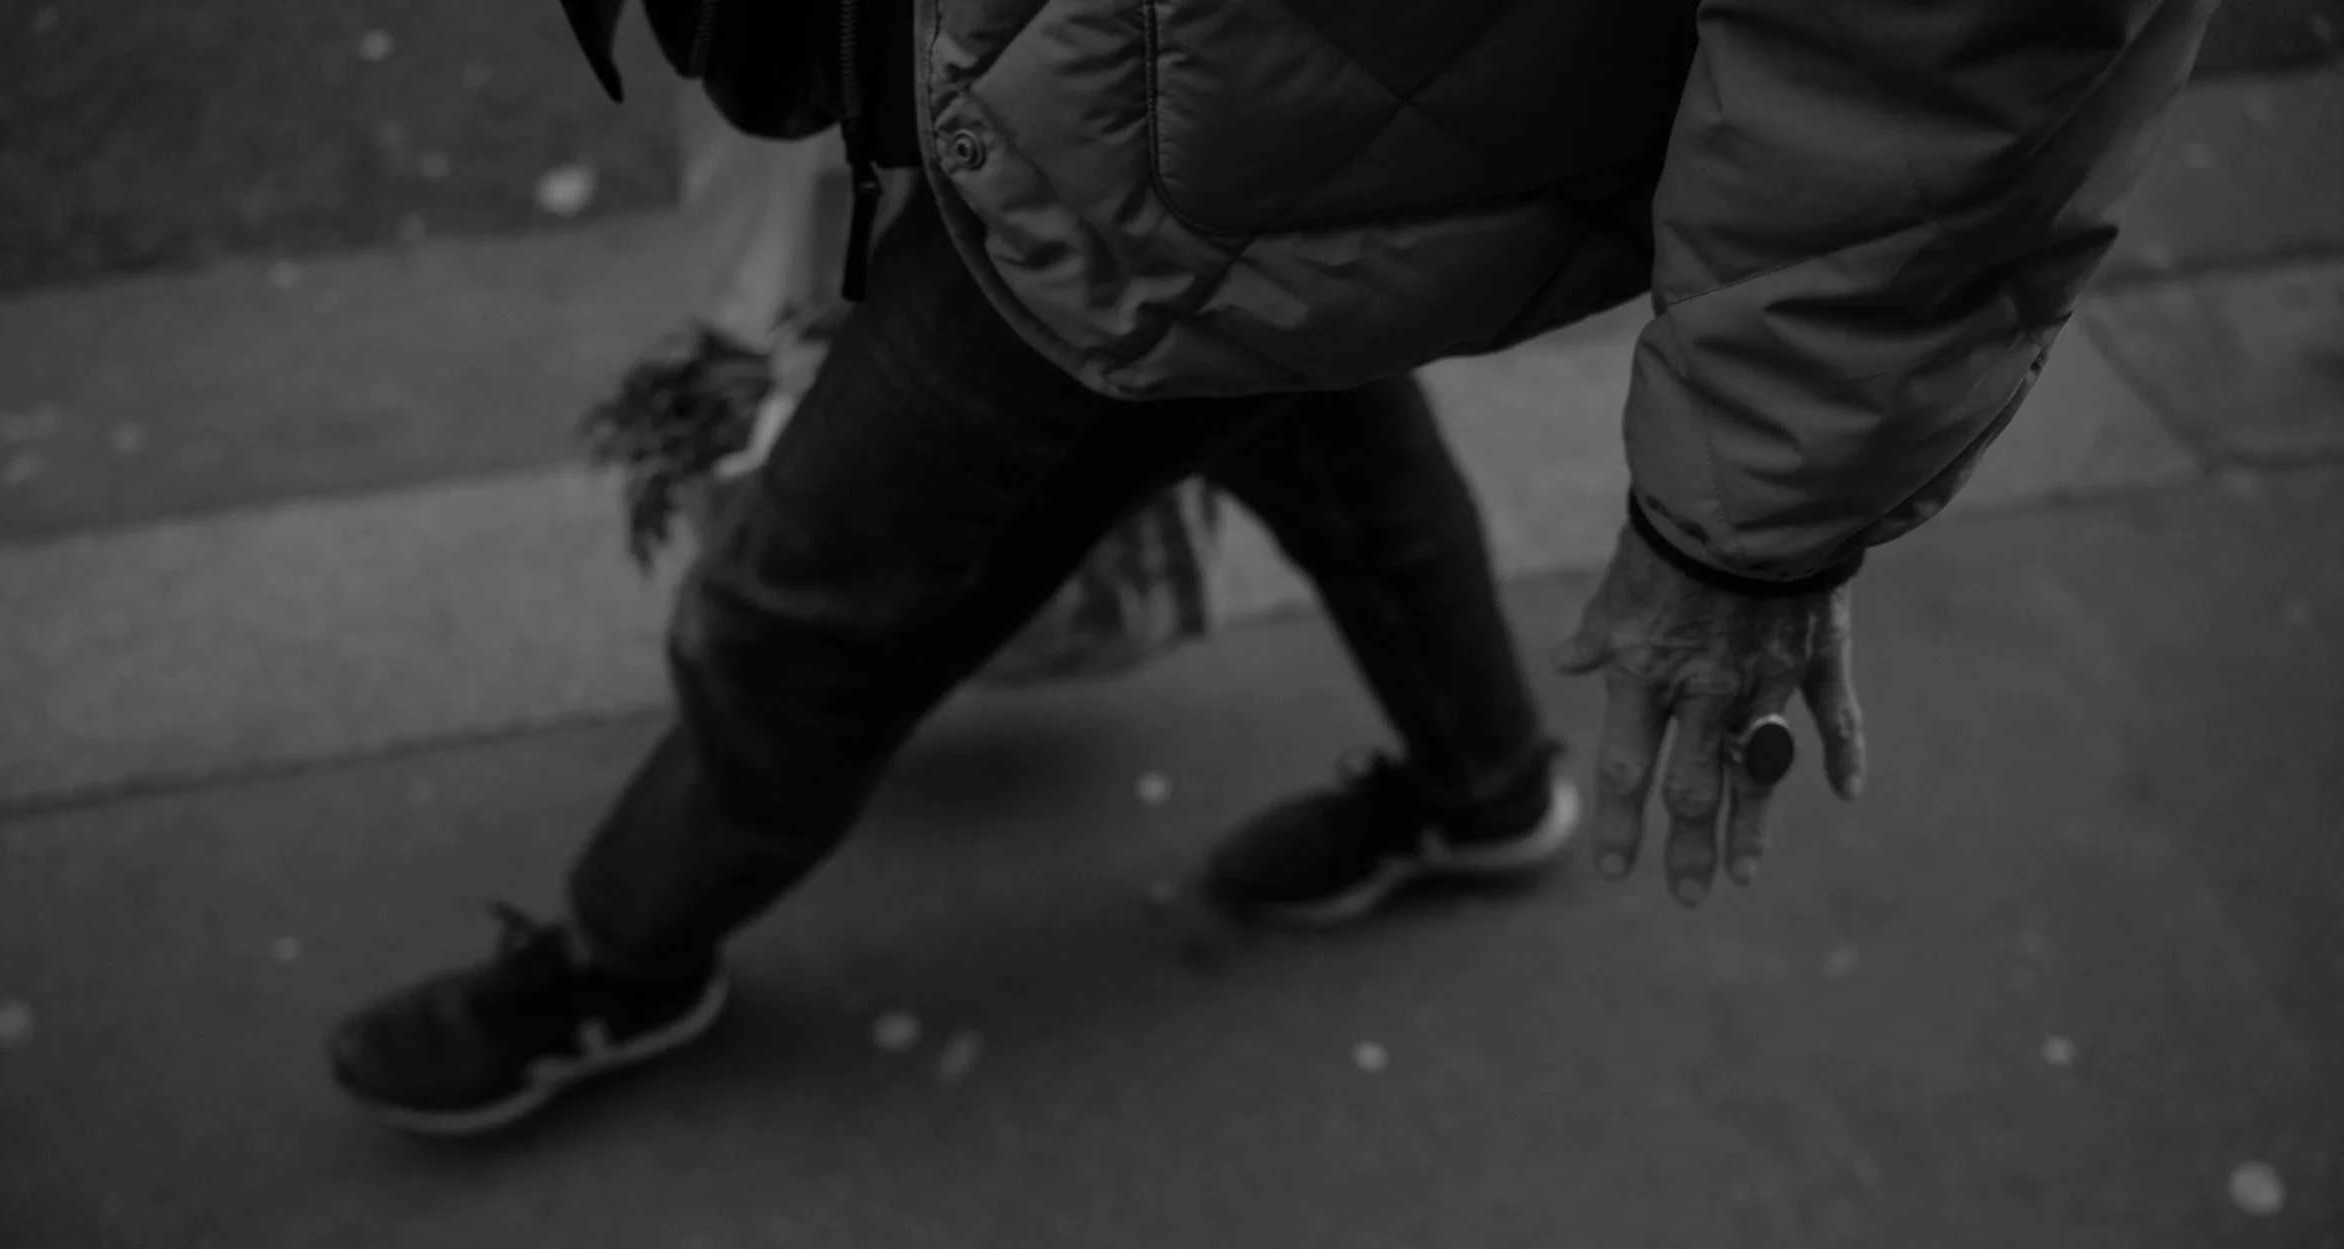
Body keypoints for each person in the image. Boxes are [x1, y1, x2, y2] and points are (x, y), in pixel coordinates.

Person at [328, 0, 2216, 1135]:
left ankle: (619, 955)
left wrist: (1752, 512)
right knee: (1302, 393)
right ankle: (1482, 788)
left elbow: (1964, 42)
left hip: (1197, 120)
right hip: (1231, 108)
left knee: (798, 603)